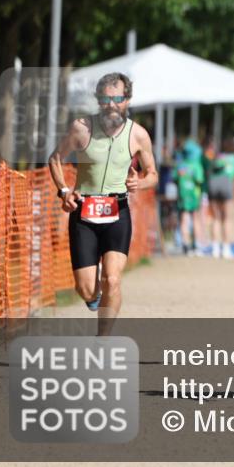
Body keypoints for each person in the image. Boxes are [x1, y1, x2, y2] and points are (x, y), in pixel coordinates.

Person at [48, 72, 157, 335]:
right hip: (84, 213)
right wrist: (64, 191)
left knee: (112, 279)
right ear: (98, 101)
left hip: (117, 212)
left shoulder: (138, 135)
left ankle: (103, 339)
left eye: (117, 98)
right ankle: (93, 296)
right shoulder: (81, 128)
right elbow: (55, 159)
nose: (111, 104)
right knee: (85, 289)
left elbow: (152, 174)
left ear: (127, 100)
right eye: (105, 99)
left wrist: (140, 183)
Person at [208, 138, 234, 258]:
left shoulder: (218, 157)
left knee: (215, 218)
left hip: (213, 184)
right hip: (226, 184)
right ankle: (226, 248)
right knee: (226, 218)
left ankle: (214, 248)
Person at [174, 140, 205, 255]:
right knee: (196, 219)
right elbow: (199, 180)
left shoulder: (180, 165)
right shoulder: (196, 165)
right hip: (194, 196)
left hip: (182, 195)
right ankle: (196, 245)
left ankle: (185, 244)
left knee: (184, 220)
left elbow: (175, 178)